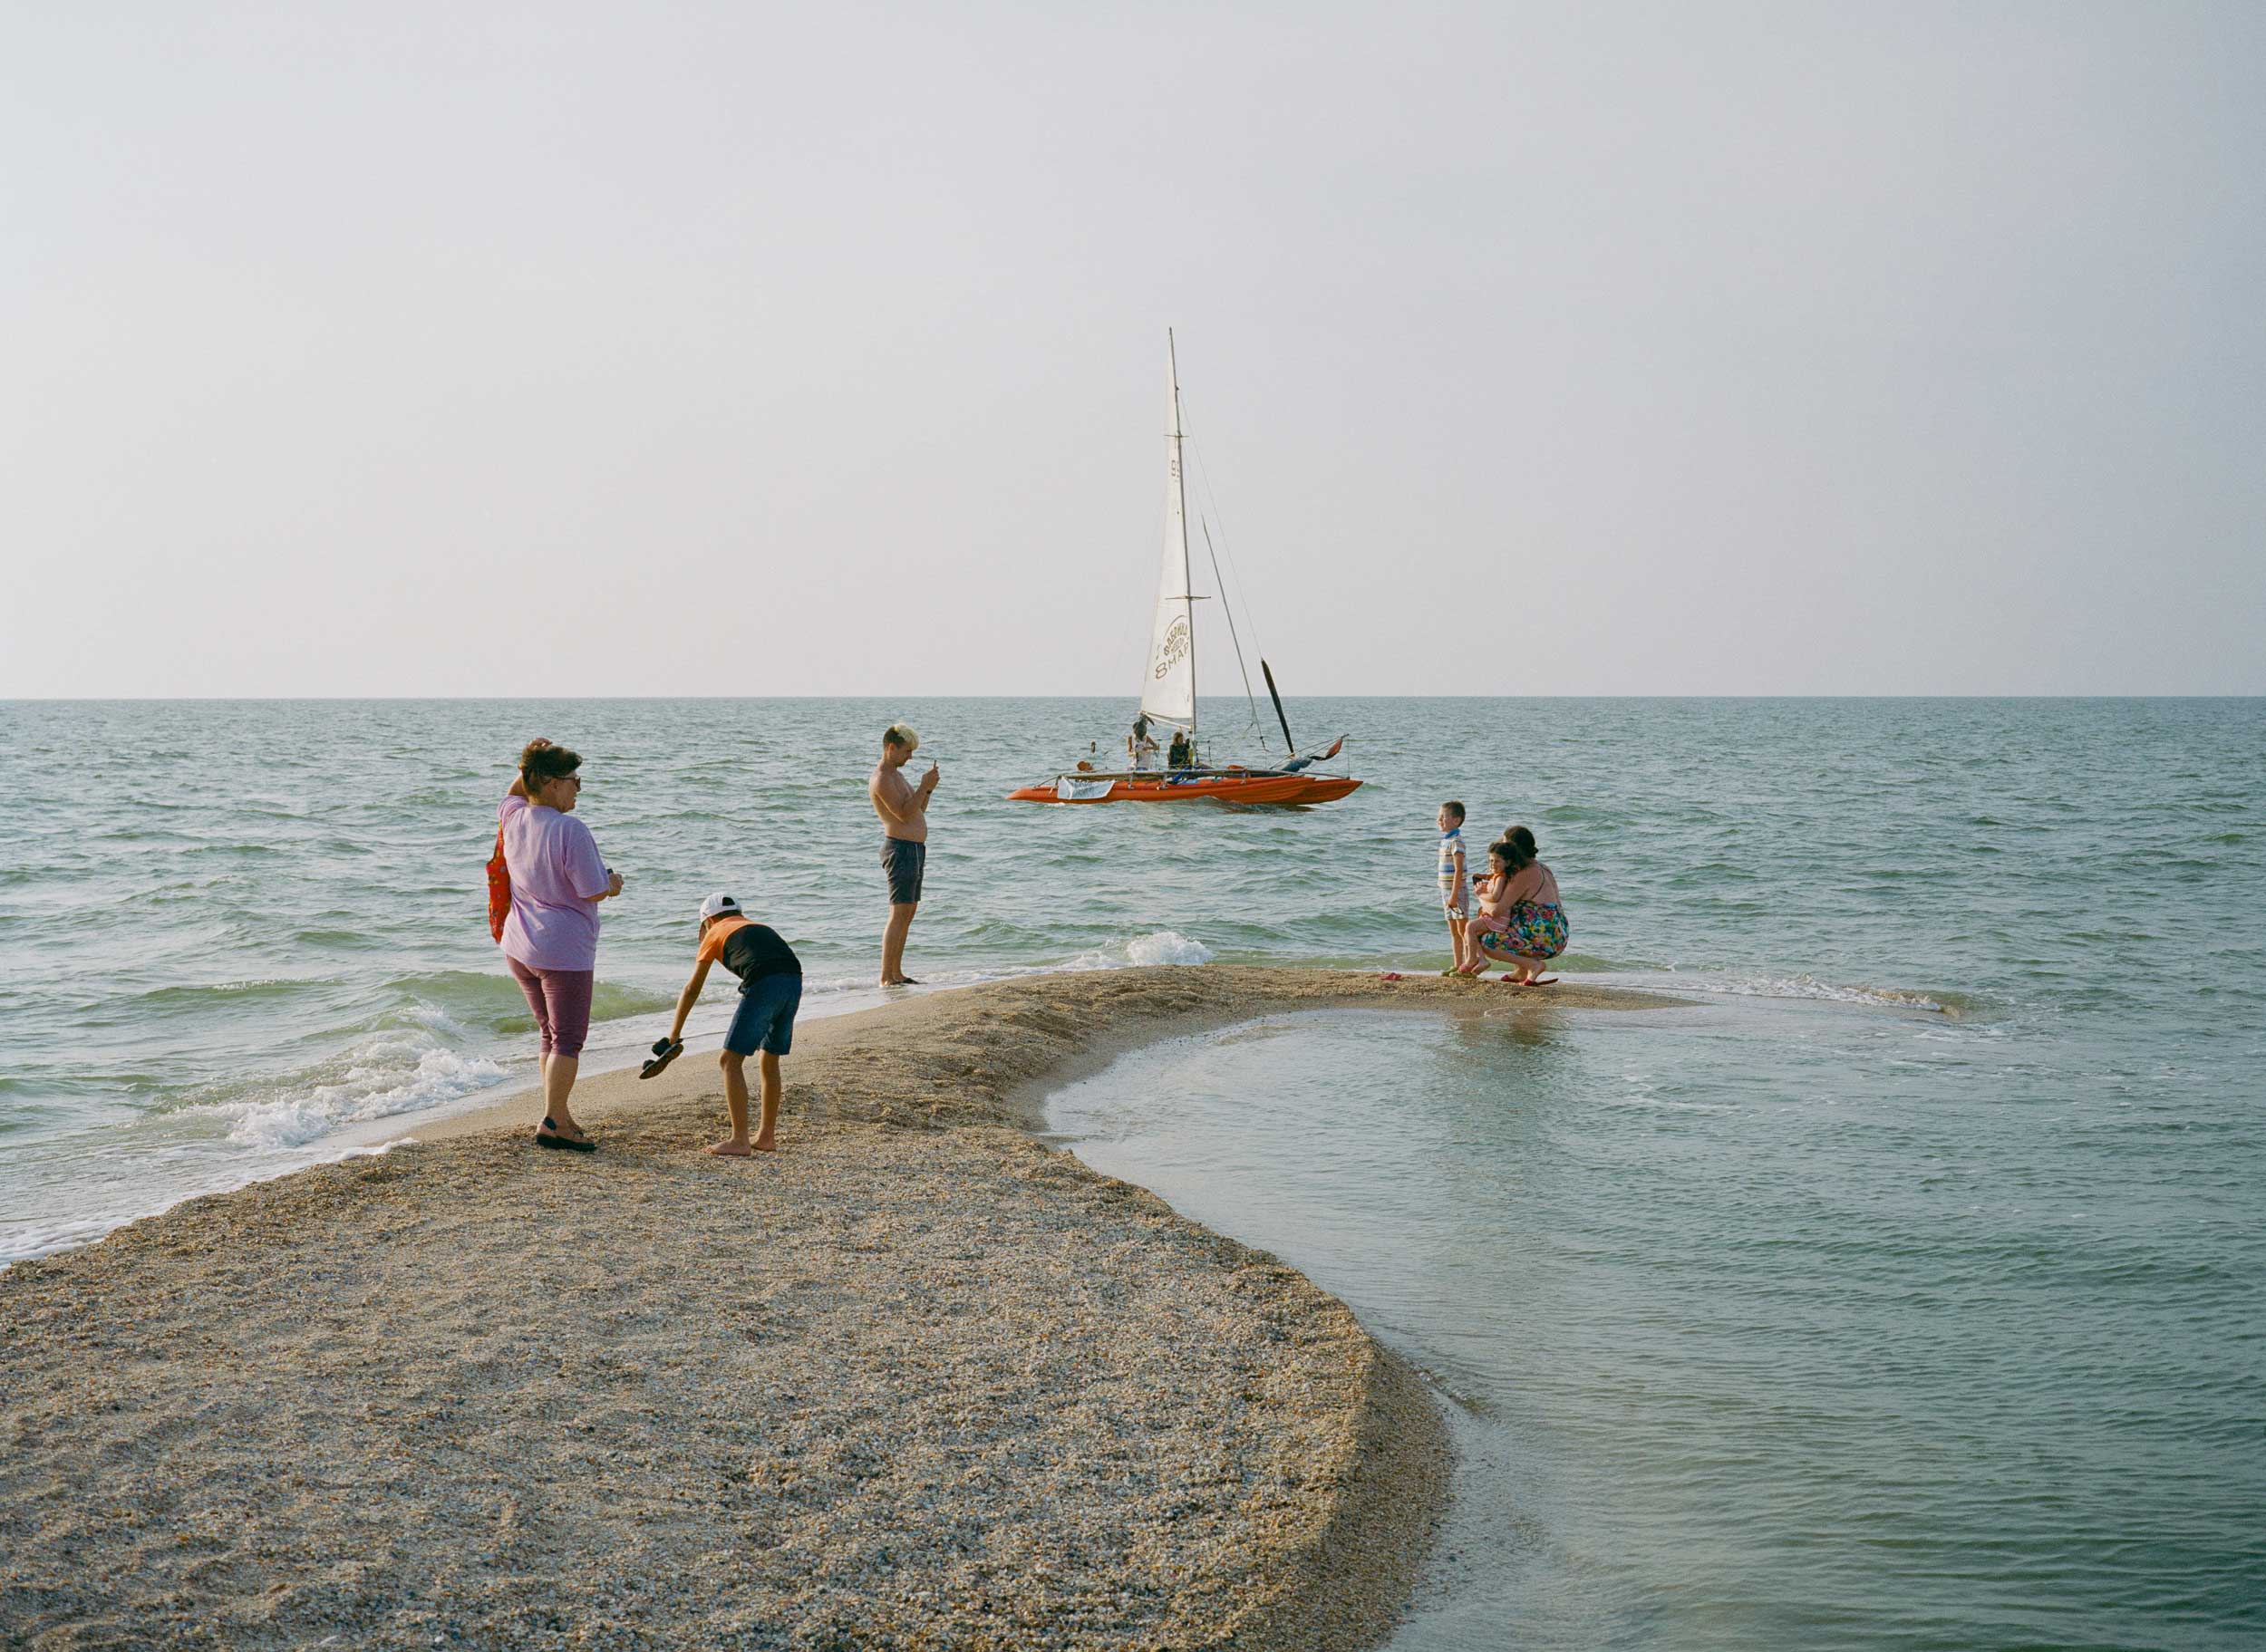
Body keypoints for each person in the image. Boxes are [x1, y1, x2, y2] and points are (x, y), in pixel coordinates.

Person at [497, 739, 623, 1150]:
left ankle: (559, 1111)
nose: (578, 790)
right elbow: (592, 890)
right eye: (573, 782)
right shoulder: (570, 829)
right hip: (562, 951)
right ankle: (553, 1123)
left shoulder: (513, 816)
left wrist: (528, 761)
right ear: (551, 784)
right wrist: (614, 884)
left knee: (548, 1035)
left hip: (520, 946)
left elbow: (515, 791)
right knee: (567, 1039)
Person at [655, 894, 802, 1156]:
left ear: (709, 921)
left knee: (729, 1061)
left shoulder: (715, 932)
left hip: (764, 982)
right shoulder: (758, 926)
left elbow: (692, 989)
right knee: (770, 1060)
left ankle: (739, 1140)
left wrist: (674, 1034)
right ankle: (766, 1137)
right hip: (794, 980)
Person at [868, 722, 936, 986]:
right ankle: (886, 976)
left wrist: (928, 789)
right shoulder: (882, 779)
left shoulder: (897, 776)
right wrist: (923, 785)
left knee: (909, 911)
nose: (911, 757)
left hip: (914, 849)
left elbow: (919, 810)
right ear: (891, 747)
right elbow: (903, 814)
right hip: (900, 848)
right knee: (898, 912)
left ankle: (897, 972)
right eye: (907, 751)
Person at [1472, 826, 1570, 984]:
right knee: (1513, 918)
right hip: (1557, 934)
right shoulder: (1542, 867)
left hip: (1545, 939)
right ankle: (1520, 971)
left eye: (1505, 847)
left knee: (1487, 939)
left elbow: (1495, 911)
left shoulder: (1525, 874)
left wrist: (1480, 895)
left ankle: (1533, 965)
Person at [1437, 801, 1470, 968]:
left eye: (1443, 817)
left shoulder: (1457, 842)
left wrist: (1454, 895)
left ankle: (1469, 963)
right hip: (1447, 892)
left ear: (1456, 820)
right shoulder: (1445, 841)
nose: (1439, 820)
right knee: (1453, 931)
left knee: (1463, 931)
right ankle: (1457, 965)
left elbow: (1458, 870)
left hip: (1457, 893)